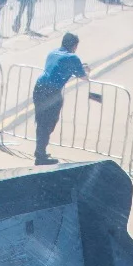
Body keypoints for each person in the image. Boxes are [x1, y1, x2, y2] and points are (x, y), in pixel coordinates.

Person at [31, 32, 87, 166]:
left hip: (39, 87)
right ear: (74, 46)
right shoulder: (73, 57)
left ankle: (40, 150)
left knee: (41, 121)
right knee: (49, 122)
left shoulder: (53, 53)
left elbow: (60, 67)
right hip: (52, 92)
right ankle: (40, 154)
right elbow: (83, 76)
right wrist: (86, 69)